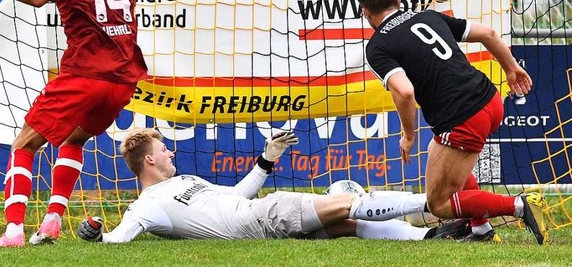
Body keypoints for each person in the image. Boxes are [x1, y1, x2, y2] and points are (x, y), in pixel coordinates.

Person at [0, 0, 181, 247]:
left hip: (83, 73)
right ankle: (52, 222)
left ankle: (13, 233)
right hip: (123, 78)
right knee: (74, 139)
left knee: (24, 144)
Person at [350, 0, 548, 244]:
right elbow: (488, 33)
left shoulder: (378, 46)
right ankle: (481, 230)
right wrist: (511, 69)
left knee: (439, 203)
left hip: (463, 117)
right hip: (490, 99)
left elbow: (404, 91)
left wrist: (408, 136)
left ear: (365, 11)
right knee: (438, 152)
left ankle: (520, 206)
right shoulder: (427, 16)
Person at [76, 128, 470, 243]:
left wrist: (267, 157)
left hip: (256, 215)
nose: (170, 153)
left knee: (345, 223)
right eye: (164, 150)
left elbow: (235, 195)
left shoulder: (185, 180)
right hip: (261, 220)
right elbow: (120, 238)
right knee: (348, 199)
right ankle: (437, 202)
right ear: (149, 160)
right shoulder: (145, 205)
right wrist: (96, 234)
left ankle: (430, 237)